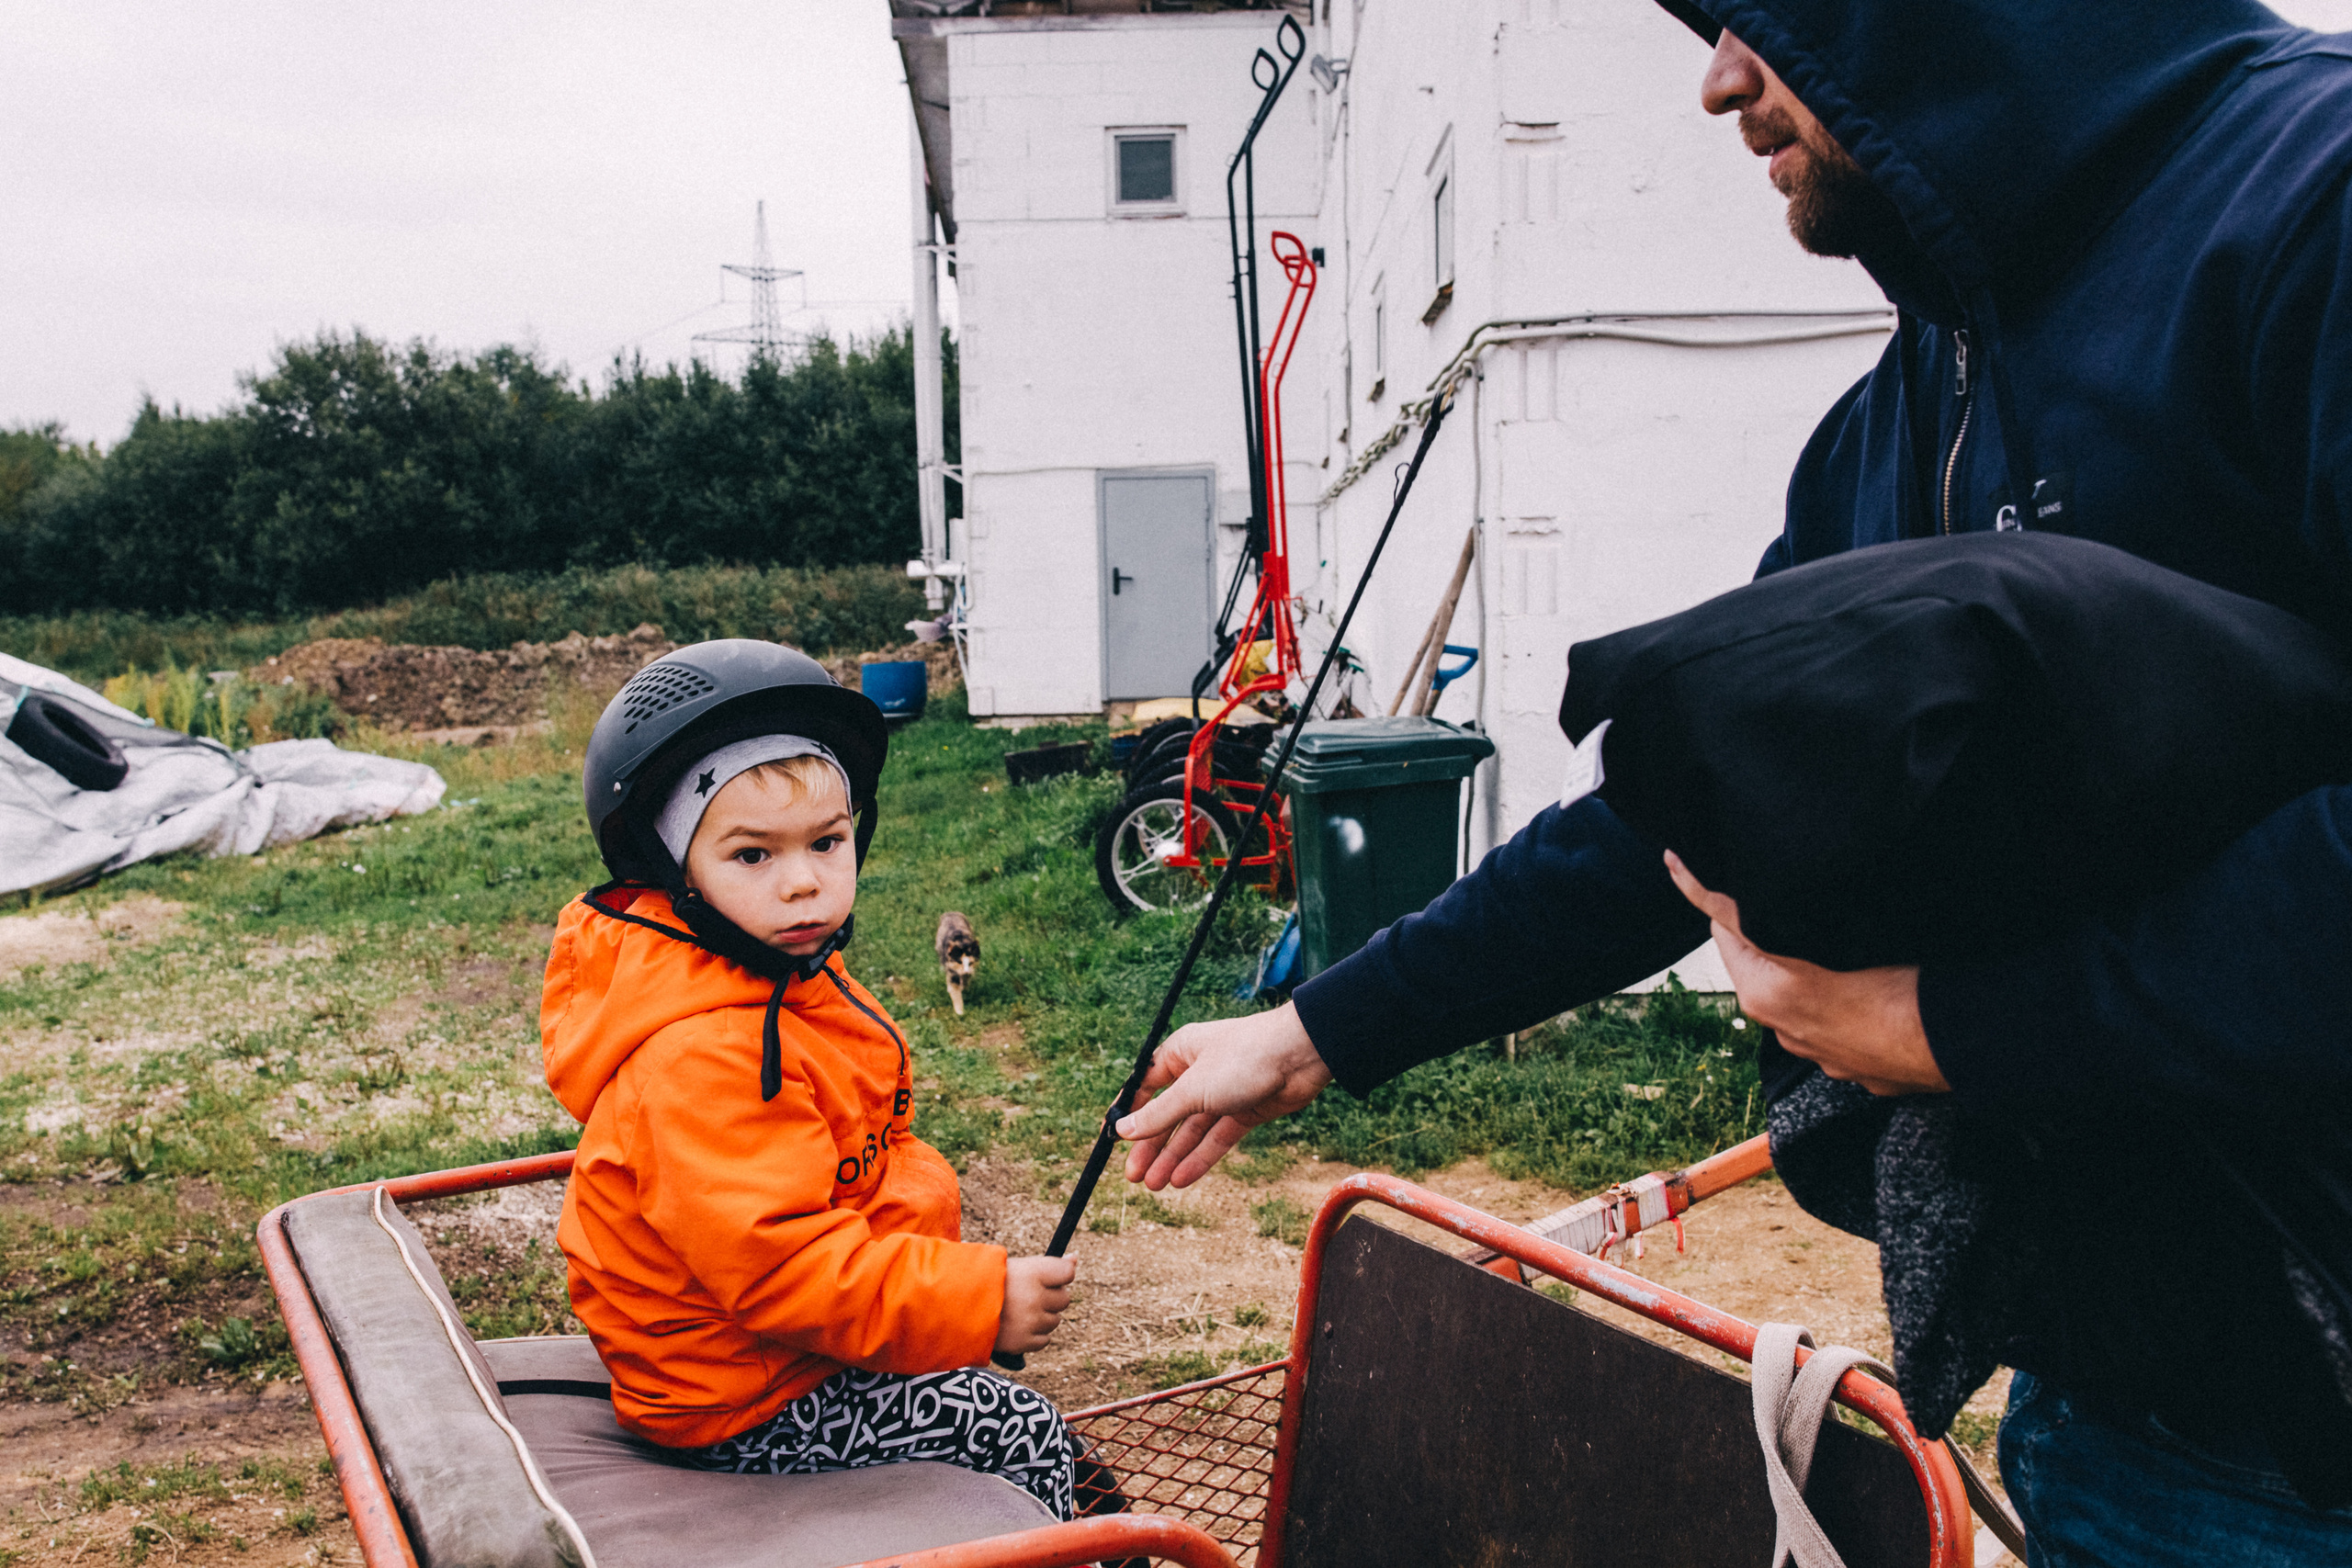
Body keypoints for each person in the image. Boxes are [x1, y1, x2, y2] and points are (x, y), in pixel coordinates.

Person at [1118, 2, 2352, 1557]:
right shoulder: (1911, 405)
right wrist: (1315, 1029)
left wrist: (1957, 1025)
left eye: (1768, 19)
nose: (1720, 82)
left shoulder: (2312, 197)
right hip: (2133, 1385)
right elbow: (1684, 819)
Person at [543, 641, 1082, 1517]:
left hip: (788, 1353)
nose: (802, 882)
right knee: (1013, 1429)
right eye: (752, 855)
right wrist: (979, 1302)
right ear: (675, 872)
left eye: (827, 841)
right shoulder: (702, 1053)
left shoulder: (779, 973)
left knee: (1014, 1425)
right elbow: (783, 1268)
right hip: (737, 1402)